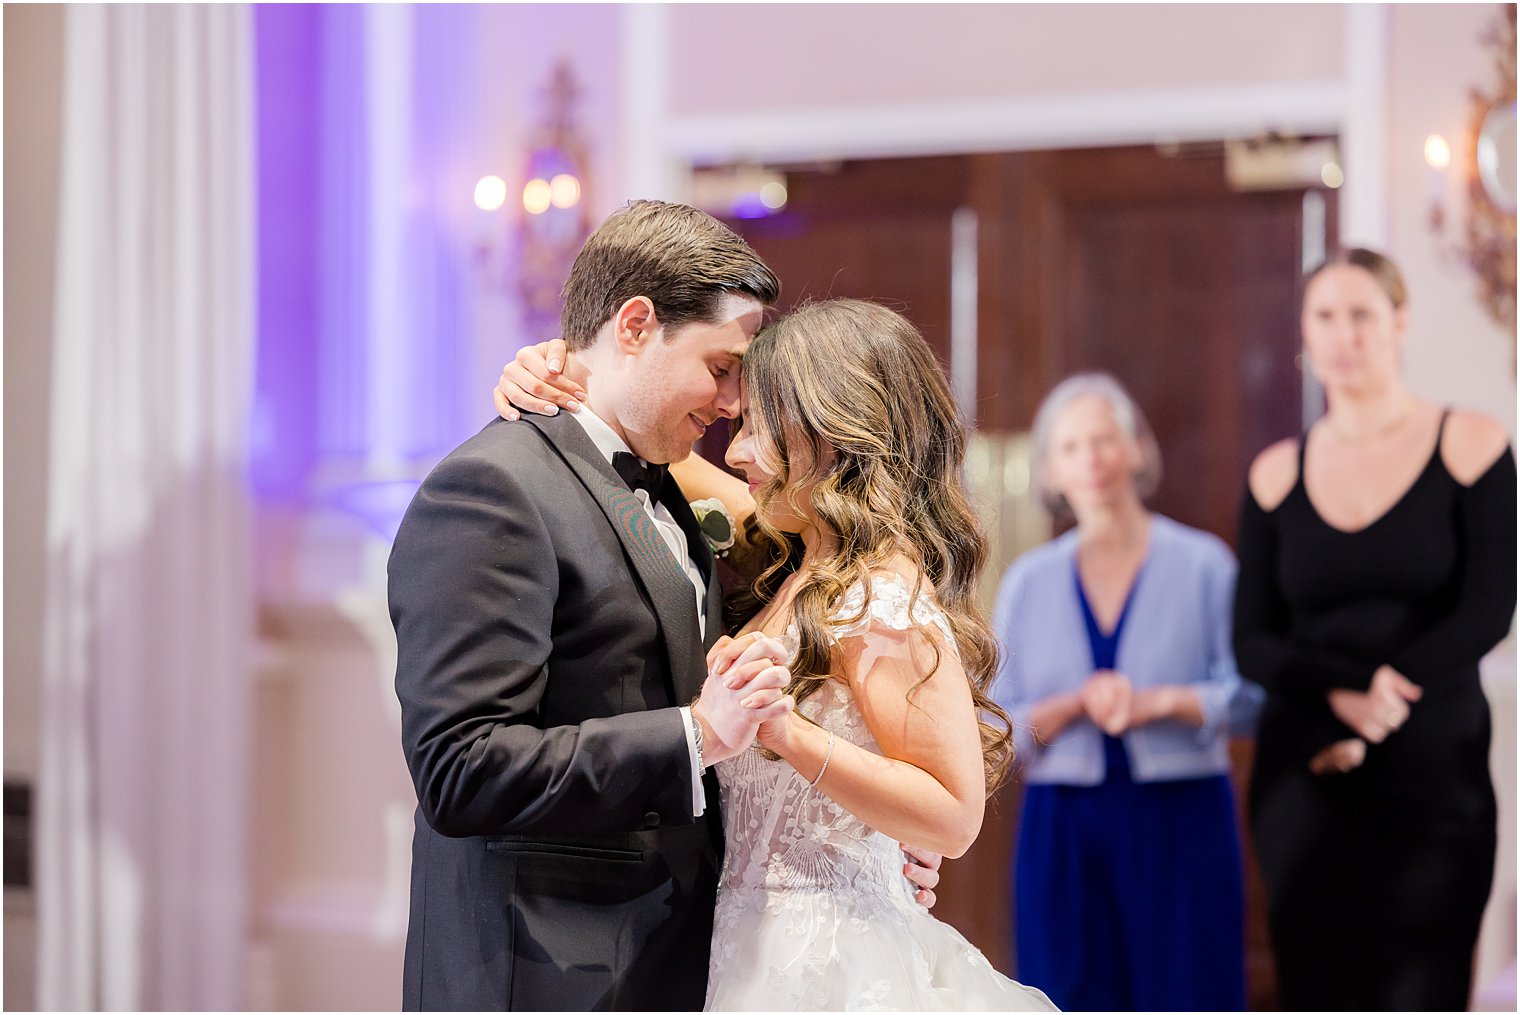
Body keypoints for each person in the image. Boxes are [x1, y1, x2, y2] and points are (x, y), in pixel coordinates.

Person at [391, 200, 940, 1012]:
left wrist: (865, 837)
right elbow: (459, 766)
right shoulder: (495, 489)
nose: (730, 404)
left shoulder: (666, 491)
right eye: (722, 367)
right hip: (542, 974)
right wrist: (696, 734)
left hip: (679, 960)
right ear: (637, 324)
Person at [498, 299, 1056, 1011]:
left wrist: (788, 732)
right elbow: (639, 447)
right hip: (742, 945)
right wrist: (557, 369)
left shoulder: (879, 596)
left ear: (830, 429)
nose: (733, 451)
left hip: (829, 961)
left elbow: (951, 815)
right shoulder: (798, 559)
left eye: (758, 427)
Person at [1235, 247, 1515, 1011]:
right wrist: (1347, 692)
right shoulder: (1274, 473)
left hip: (1434, 768)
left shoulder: (1473, 444)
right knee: (1314, 984)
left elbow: (1489, 609)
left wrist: (1387, 694)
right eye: (1325, 316)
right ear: (1304, 333)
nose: (1344, 334)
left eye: (1362, 314)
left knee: (1421, 988)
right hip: (1304, 771)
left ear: (1400, 322)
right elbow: (1252, 642)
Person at [989, 373, 1262, 1011]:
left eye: (1105, 440)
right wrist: (1074, 704)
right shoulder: (1028, 582)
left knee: (1191, 990)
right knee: (1066, 993)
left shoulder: (1206, 565)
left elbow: (1251, 697)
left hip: (1183, 819)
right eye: (1071, 446)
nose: (1091, 460)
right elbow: (995, 722)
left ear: (1137, 449)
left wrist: (1160, 703)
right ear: (1051, 468)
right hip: (1063, 830)